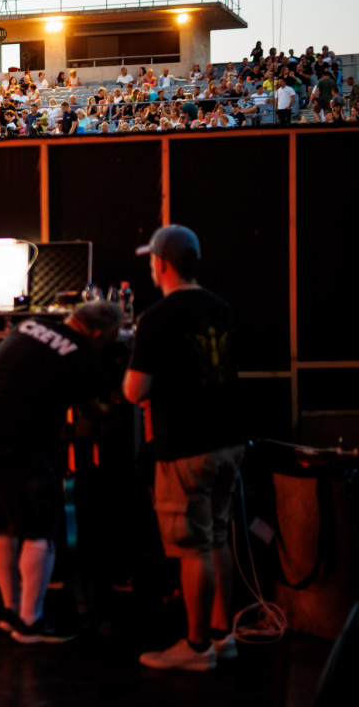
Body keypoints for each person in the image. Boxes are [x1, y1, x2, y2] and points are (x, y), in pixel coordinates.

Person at [0, 303, 122, 644]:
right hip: (8, 440)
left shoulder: (31, 325)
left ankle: (10, 612)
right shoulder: (80, 352)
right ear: (99, 335)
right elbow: (98, 407)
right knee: (40, 526)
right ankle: (31, 623)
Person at [124, 225, 243, 671]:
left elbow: (135, 391)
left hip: (185, 448)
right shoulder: (224, 309)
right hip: (229, 442)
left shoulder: (157, 318)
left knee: (193, 547)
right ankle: (222, 635)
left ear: (162, 263)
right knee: (216, 537)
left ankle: (195, 649)